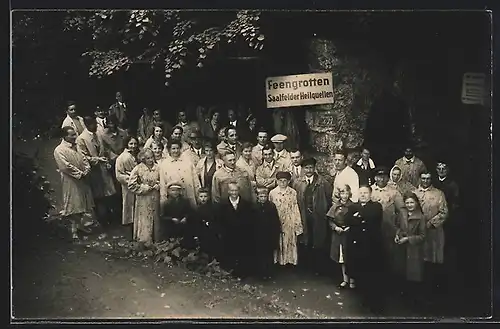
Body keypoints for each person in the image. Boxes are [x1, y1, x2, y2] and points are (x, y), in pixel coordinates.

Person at [344, 185, 384, 314]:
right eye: (361, 193)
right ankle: (362, 300)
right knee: (358, 272)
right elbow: (347, 220)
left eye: (365, 193)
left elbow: (373, 218)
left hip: (371, 245)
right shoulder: (352, 207)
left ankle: (372, 301)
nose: (363, 195)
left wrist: (358, 217)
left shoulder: (376, 206)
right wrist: (359, 218)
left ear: (370, 194)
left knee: (371, 273)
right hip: (356, 245)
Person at [54, 126, 94, 240]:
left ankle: (80, 226)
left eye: (74, 134)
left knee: (83, 204)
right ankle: (73, 230)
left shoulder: (77, 146)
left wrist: (86, 170)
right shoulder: (59, 150)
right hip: (71, 180)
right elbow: (65, 166)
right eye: (71, 135)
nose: (74, 136)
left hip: (83, 179)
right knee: (73, 204)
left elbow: (84, 159)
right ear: (64, 136)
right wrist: (80, 174)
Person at [76, 116, 117, 226]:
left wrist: (108, 160)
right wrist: (97, 160)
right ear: (86, 125)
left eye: (95, 124)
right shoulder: (81, 139)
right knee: (98, 196)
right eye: (92, 125)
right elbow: (83, 157)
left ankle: (110, 217)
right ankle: (102, 219)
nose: (95, 126)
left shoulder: (98, 134)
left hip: (104, 169)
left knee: (108, 194)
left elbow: (106, 149)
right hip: (94, 171)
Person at [294, 157, 333, 273]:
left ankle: (318, 267)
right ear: (303, 169)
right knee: (306, 238)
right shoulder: (298, 183)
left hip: (318, 215)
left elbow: (329, 199)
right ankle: (306, 266)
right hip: (304, 215)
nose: (309, 170)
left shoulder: (322, 182)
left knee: (319, 239)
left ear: (314, 168)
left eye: (311, 167)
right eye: (306, 168)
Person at [413, 171, 448, 293]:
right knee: (418, 259)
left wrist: (430, 223)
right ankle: (417, 288)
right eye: (423, 178)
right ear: (419, 179)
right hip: (416, 231)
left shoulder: (438, 194)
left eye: (428, 178)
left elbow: (444, 212)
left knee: (432, 258)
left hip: (433, 231)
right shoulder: (414, 193)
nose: (425, 181)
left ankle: (432, 288)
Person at [371, 167, 405, 276]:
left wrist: (401, 229)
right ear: (375, 178)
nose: (381, 179)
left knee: (390, 256)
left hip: (390, 229)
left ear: (387, 178)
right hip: (373, 229)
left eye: (384, 177)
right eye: (379, 177)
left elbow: (402, 211)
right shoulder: (369, 191)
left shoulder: (394, 192)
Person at [433, 161, 461, 289]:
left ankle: (444, 280)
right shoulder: (433, 182)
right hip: (433, 220)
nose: (441, 170)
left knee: (446, 248)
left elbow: (454, 204)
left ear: (448, 170)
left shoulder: (452, 185)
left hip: (446, 221)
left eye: (444, 168)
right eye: (439, 168)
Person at [394, 193, 426, 301]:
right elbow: (398, 226)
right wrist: (397, 235)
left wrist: (408, 239)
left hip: (414, 250)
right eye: (407, 202)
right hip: (401, 248)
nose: (409, 205)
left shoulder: (421, 217)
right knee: (401, 272)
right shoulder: (402, 213)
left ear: (416, 203)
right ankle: (402, 297)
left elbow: (422, 236)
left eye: (412, 202)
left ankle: (413, 300)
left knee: (413, 274)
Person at [218, 181, 254, 276]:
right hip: (228, 234)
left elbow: (249, 220)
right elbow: (220, 220)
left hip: (242, 234)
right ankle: (230, 270)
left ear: (239, 191)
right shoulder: (223, 204)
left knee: (241, 252)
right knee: (229, 252)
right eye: (231, 191)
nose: (234, 193)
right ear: (228, 192)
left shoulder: (246, 204)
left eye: (236, 190)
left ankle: (242, 271)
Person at [269, 172, 303, 267]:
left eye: (285, 181)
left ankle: (289, 261)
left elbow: (295, 208)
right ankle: (279, 261)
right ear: (277, 181)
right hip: (277, 218)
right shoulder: (273, 193)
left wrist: (297, 224)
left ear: (288, 181)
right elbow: (270, 207)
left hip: (289, 219)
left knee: (289, 239)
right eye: (280, 181)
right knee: (278, 240)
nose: (283, 183)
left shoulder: (292, 192)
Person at [128, 148, 161, 244]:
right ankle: (144, 240)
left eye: (152, 157)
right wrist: (143, 188)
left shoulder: (158, 168)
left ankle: (156, 239)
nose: (150, 160)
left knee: (156, 217)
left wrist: (158, 185)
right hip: (143, 198)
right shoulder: (138, 168)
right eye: (148, 158)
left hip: (155, 196)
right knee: (144, 218)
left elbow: (163, 180)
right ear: (143, 159)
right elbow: (131, 184)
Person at [326, 184, 354, 288]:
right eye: (342, 193)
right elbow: (330, 221)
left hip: (349, 235)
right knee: (341, 257)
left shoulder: (353, 206)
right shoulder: (335, 206)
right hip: (338, 235)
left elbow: (357, 220)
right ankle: (345, 279)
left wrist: (350, 227)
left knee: (350, 256)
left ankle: (352, 280)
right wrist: (335, 227)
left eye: (346, 193)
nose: (344, 195)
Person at [159, 139, 200, 208]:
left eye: (178, 148)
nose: (176, 151)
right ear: (169, 150)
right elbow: (162, 184)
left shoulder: (188, 162)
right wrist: (163, 200)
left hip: (188, 194)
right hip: (173, 198)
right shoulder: (164, 164)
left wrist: (198, 195)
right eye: (173, 149)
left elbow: (195, 180)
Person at [252, 185, 282, 278]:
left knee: (268, 254)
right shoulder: (254, 207)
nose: (263, 198)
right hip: (258, 234)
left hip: (269, 234)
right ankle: (260, 273)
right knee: (259, 254)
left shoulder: (271, 206)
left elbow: (276, 221)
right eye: (261, 196)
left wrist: (275, 234)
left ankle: (268, 272)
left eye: (265, 196)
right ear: (257, 196)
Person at [191, 188, 223, 261]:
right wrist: (196, 235)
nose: (203, 199)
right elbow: (195, 224)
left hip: (211, 232)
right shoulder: (196, 209)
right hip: (201, 233)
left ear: (208, 197)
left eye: (205, 197)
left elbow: (216, 220)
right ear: (198, 197)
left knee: (213, 248)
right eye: (201, 197)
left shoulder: (213, 208)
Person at [115, 136, 139, 227]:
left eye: (135, 144)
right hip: (128, 185)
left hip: (139, 184)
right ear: (126, 144)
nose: (133, 146)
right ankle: (129, 226)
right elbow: (119, 175)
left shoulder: (138, 155)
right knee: (129, 205)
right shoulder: (121, 158)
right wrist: (131, 179)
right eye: (131, 144)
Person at [160, 181, 193, 247]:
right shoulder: (166, 203)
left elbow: (190, 212)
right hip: (171, 228)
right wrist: (172, 219)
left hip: (183, 227)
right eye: (173, 190)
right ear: (169, 191)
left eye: (177, 190)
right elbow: (162, 216)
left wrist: (185, 218)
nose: (175, 192)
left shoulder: (185, 201)